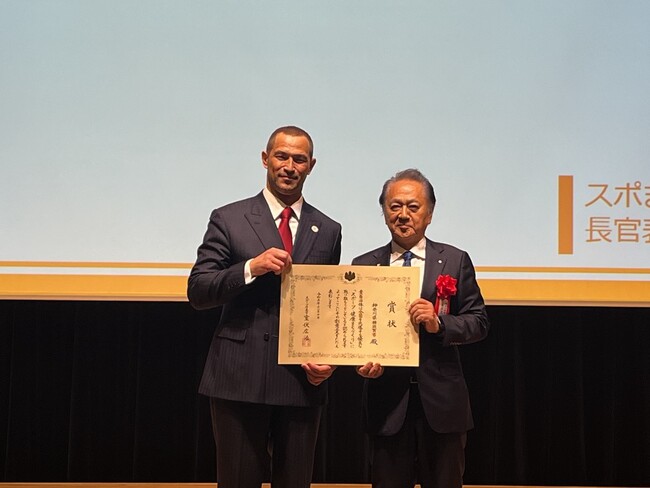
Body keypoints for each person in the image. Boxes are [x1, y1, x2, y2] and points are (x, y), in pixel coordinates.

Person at [188, 126, 342, 488]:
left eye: (299, 159)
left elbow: (329, 308)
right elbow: (198, 290)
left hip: (301, 381)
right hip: (239, 377)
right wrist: (249, 268)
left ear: (311, 165)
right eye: (281, 156)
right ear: (265, 159)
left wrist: (330, 358)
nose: (289, 166)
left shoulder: (329, 229)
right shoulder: (229, 218)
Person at [353, 168, 489, 488]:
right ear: (384, 212)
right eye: (394, 206)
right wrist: (359, 363)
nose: (403, 215)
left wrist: (438, 322)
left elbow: (478, 322)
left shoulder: (455, 260)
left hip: (442, 404)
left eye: (413, 207)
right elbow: (355, 332)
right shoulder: (364, 265)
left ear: (429, 213)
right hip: (387, 403)